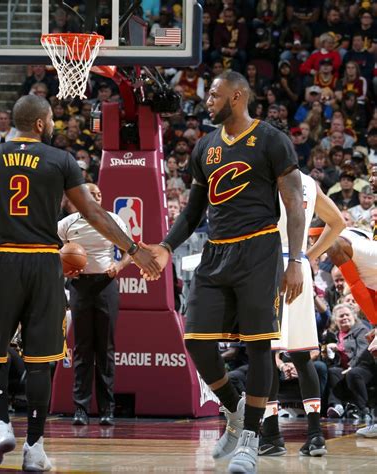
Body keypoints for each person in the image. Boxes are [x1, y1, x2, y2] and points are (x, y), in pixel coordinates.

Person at [0, 95, 159, 471]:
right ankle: (34, 448)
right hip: (45, 262)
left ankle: (0, 425)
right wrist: (134, 249)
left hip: (3, 258)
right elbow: (92, 213)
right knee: (40, 361)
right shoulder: (60, 160)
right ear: (41, 123)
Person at [141, 72, 305, 474]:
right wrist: (165, 246)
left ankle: (251, 438)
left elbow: (294, 205)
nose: (207, 100)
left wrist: (296, 261)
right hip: (216, 252)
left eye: (214, 95)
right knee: (196, 340)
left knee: (259, 345)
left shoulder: (271, 139)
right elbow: (193, 210)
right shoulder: (206, 146)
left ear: (237, 96)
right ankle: (234, 409)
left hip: (259, 249)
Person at [260, 172, 345, 457]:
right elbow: (338, 222)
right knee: (301, 354)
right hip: (299, 266)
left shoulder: (264, 174)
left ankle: (271, 436)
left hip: (271, 264)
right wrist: (310, 255)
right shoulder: (309, 182)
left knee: (265, 353)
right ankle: (315, 435)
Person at [58, 183, 131, 427]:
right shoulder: (67, 223)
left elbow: (131, 250)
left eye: (100, 194)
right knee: (82, 348)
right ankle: (81, 409)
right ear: (82, 197)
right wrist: (64, 268)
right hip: (79, 285)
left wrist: (118, 266)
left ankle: (107, 410)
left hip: (105, 284)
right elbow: (51, 249)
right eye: (93, 194)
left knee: (105, 349)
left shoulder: (113, 220)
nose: (98, 197)